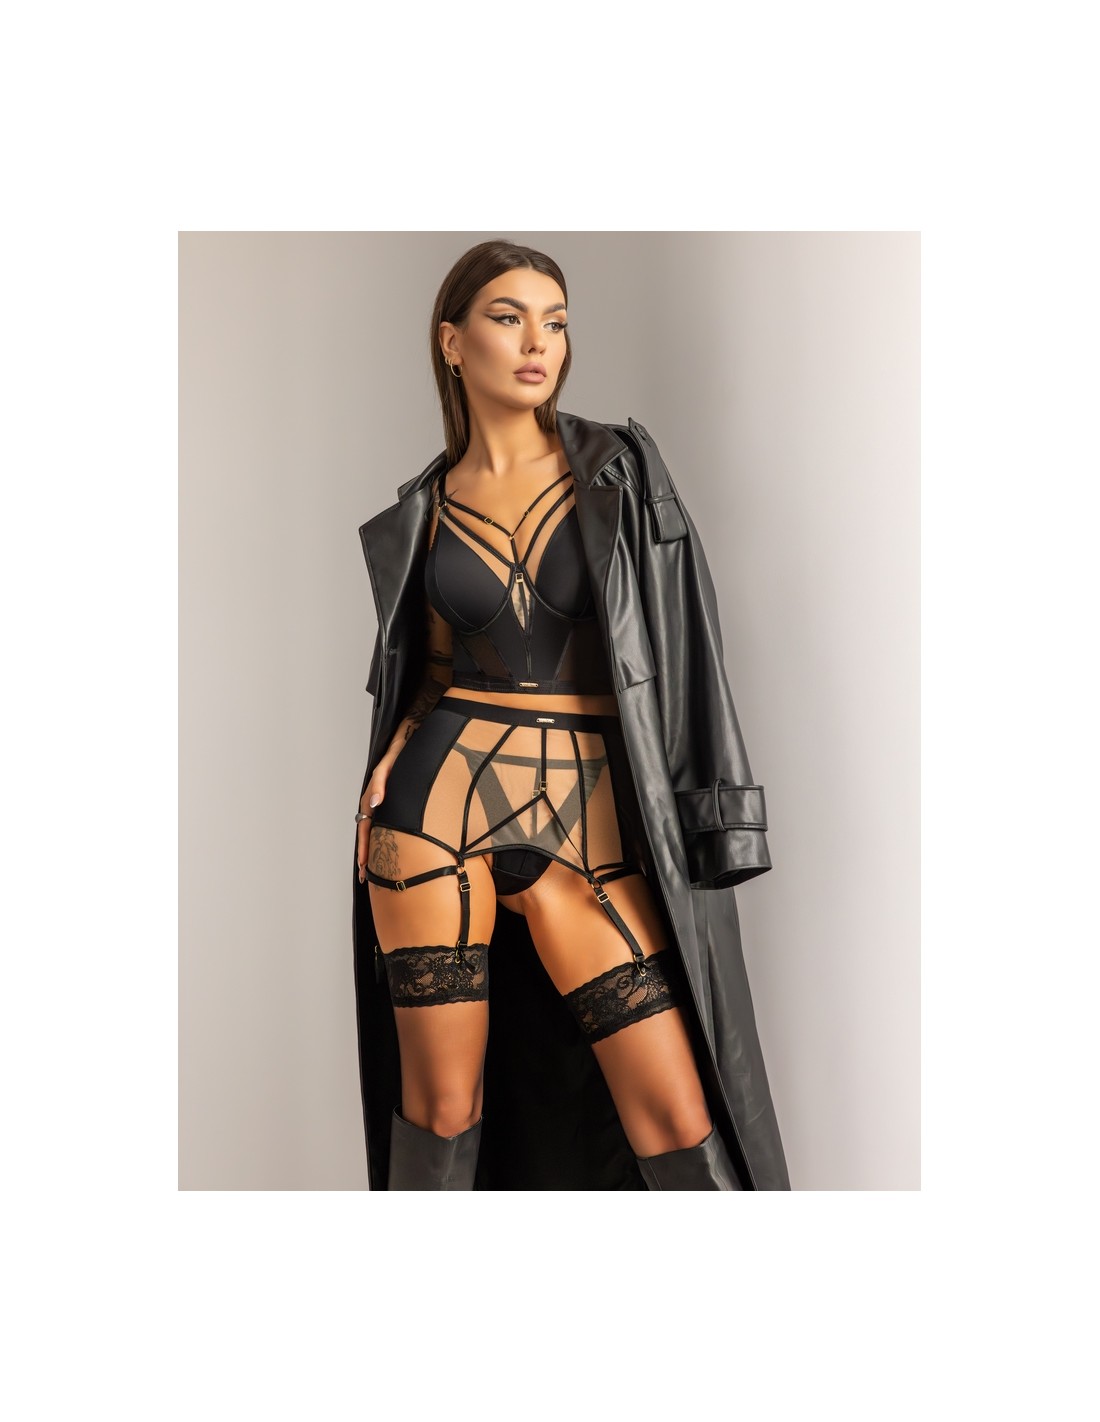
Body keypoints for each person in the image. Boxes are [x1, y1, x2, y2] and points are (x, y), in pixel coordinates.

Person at [354, 239, 773, 1190]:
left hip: (593, 825)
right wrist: (394, 751)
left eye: (555, 322)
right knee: (442, 1107)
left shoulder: (619, 470)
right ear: (453, 342)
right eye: (509, 318)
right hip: (435, 813)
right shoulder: (425, 508)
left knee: (677, 1115)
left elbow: (691, 645)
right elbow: (433, 668)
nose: (538, 342)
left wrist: (723, 814)